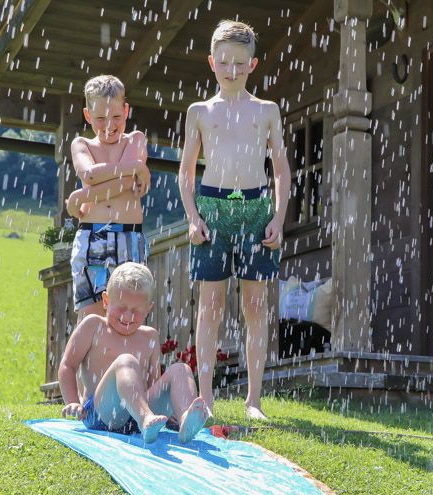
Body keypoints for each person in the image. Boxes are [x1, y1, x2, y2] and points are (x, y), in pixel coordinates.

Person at [178, 20, 290, 421]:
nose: (231, 71)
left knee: (255, 305)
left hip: (256, 209)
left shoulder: (266, 111)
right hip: (213, 208)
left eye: (240, 64)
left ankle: (253, 400)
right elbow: (185, 172)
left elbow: (280, 170)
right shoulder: (199, 112)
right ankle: (204, 397)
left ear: (253, 64)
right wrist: (193, 217)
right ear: (211, 62)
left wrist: (278, 215)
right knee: (210, 305)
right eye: (224, 62)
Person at [59, 262, 209, 444]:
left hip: (138, 415)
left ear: (148, 309)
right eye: (121, 308)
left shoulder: (150, 337)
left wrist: (167, 410)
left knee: (181, 369)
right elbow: (68, 365)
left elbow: (153, 383)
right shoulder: (94, 326)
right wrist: (72, 401)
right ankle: (145, 418)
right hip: (101, 415)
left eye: (136, 311)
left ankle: (184, 419)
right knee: (126, 361)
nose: (128, 316)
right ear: (106, 301)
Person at [66, 74, 151, 320]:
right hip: (92, 236)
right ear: (87, 115)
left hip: (129, 236)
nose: (109, 126)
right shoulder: (81, 144)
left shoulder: (136, 139)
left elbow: (126, 184)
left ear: (126, 111)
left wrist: (81, 196)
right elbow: (90, 174)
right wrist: (135, 166)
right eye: (100, 119)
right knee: (91, 322)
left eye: (116, 117)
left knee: (129, 319)